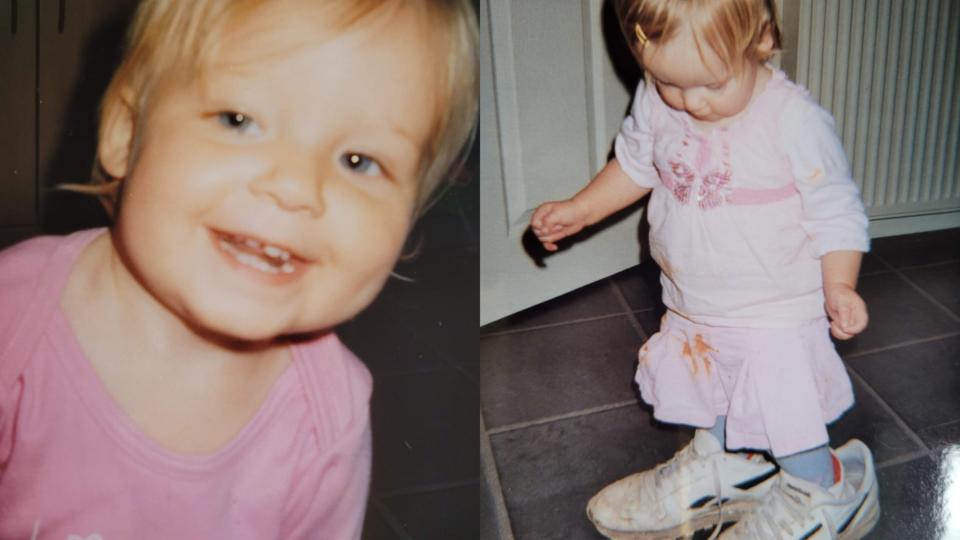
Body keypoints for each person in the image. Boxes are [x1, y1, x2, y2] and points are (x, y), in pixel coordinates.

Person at [0, 0, 477, 537]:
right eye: (239, 120)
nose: (296, 187)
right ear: (126, 133)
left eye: (358, 161)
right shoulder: (14, 315)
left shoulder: (328, 415)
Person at [530, 0, 879, 538]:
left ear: (761, 40)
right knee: (709, 391)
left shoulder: (792, 119)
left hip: (775, 308)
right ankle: (727, 465)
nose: (689, 103)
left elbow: (836, 209)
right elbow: (635, 164)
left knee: (786, 414)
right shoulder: (658, 98)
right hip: (694, 299)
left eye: (710, 84)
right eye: (667, 82)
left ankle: (827, 490)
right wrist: (580, 210)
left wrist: (840, 284)